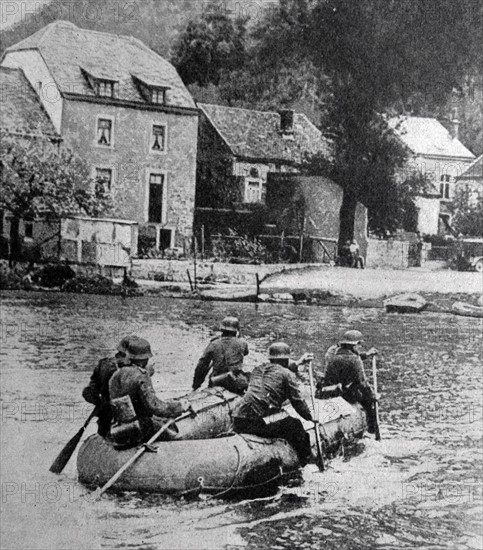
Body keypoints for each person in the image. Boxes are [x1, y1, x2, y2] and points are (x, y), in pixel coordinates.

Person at [233, 342, 315, 465]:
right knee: (296, 425)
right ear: (286, 360)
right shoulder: (287, 375)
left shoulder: (257, 369)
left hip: (239, 420)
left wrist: (298, 363)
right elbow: (298, 403)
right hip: (258, 422)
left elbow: (279, 370)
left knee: (280, 414)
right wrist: (311, 417)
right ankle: (305, 463)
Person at [109, 337, 189, 443]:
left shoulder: (117, 374)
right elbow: (154, 406)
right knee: (174, 430)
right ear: (145, 358)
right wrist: (179, 406)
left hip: (120, 426)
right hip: (141, 427)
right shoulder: (141, 376)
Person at [320, 330, 378, 432]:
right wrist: (373, 396)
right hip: (342, 392)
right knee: (368, 401)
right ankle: (372, 430)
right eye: (359, 344)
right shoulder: (354, 359)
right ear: (354, 345)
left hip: (326, 390)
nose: (360, 347)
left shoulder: (331, 351)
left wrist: (366, 354)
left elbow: (351, 357)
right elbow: (362, 382)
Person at [82, 336, 133, 437]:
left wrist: (102, 403)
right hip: (125, 419)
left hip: (105, 419)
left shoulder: (103, 364)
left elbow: (89, 392)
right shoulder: (131, 370)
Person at [192, 316, 249, 395]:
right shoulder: (243, 343)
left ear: (221, 330)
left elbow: (201, 366)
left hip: (217, 382)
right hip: (236, 383)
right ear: (236, 331)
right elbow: (245, 352)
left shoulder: (214, 344)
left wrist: (196, 385)